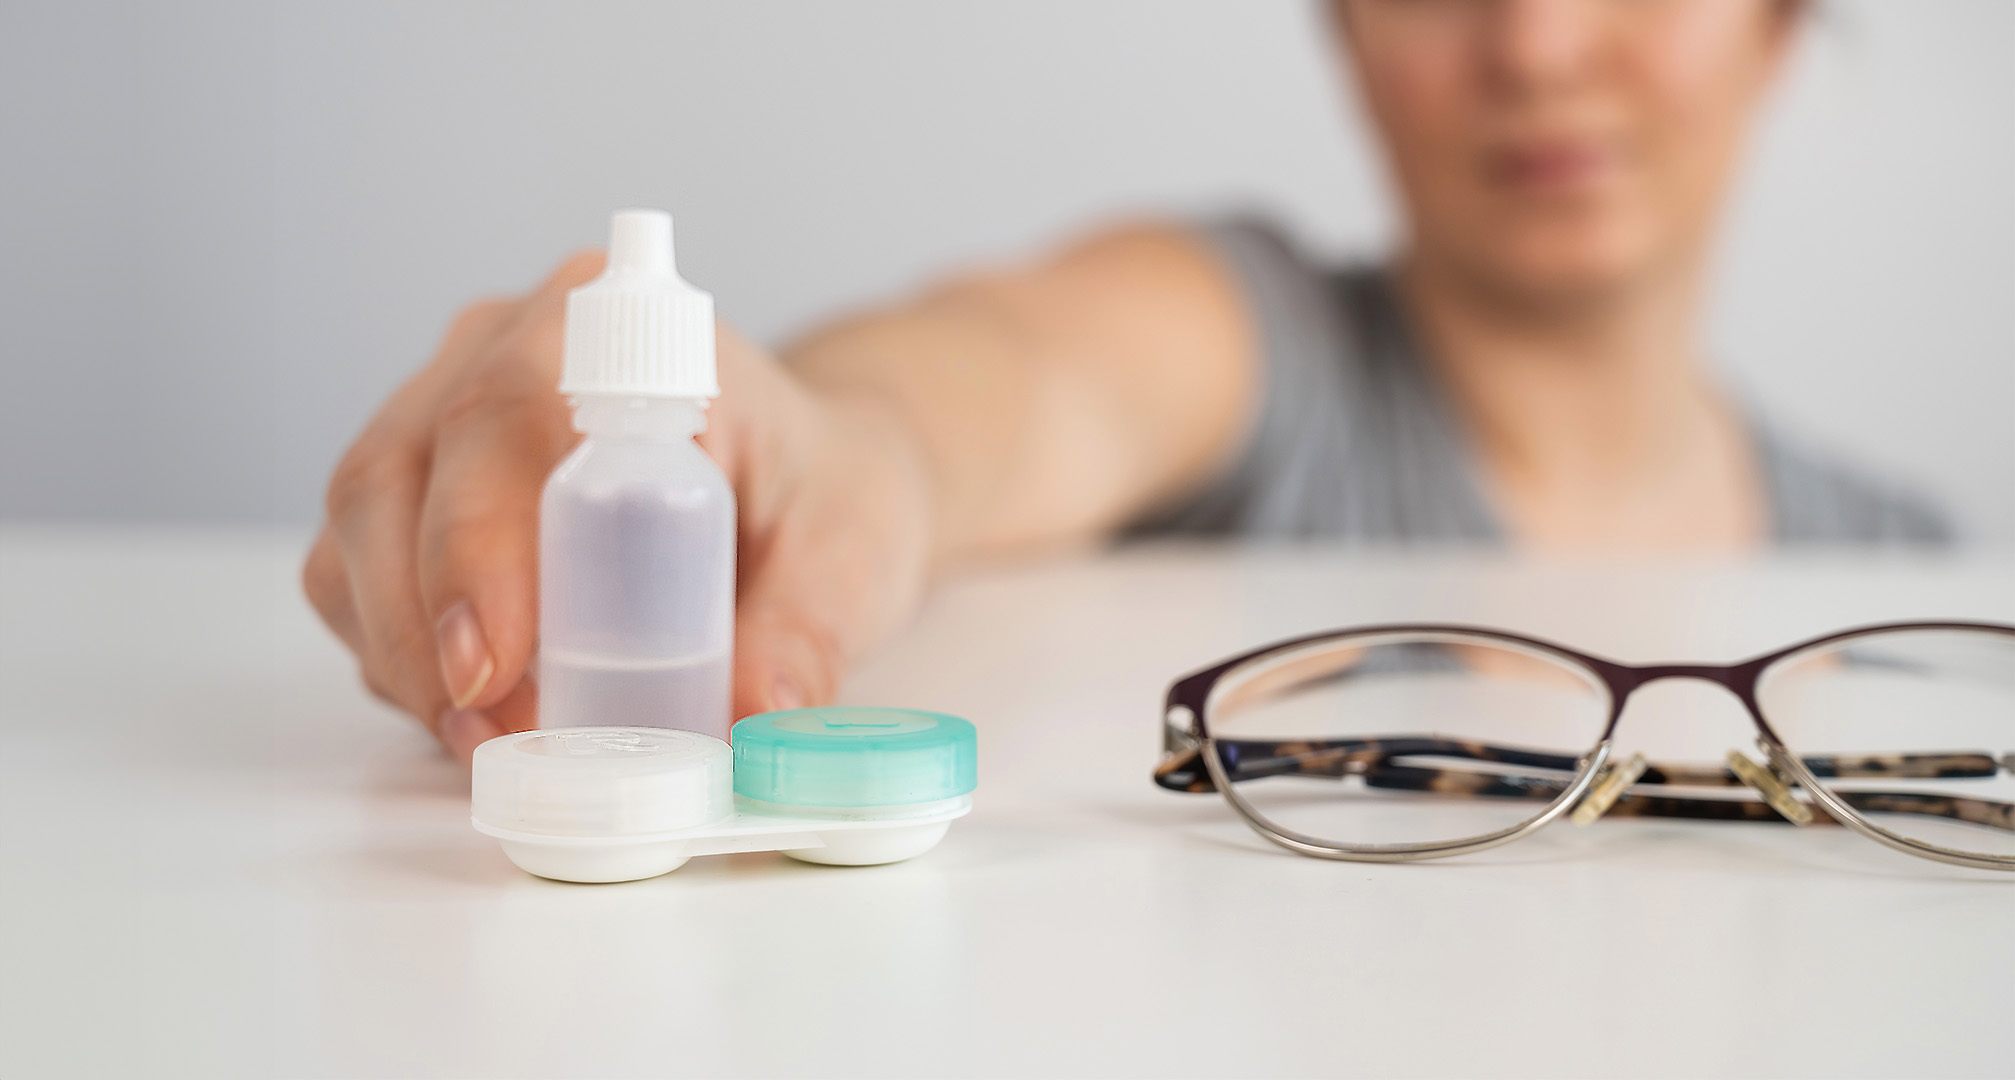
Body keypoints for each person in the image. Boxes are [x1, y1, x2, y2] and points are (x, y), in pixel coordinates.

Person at [304, 0, 1950, 764]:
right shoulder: (1253, 341)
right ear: (1346, 39)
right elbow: (1006, 380)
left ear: (1782, 24)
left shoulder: (1904, 577)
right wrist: (828, 438)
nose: (1533, 41)